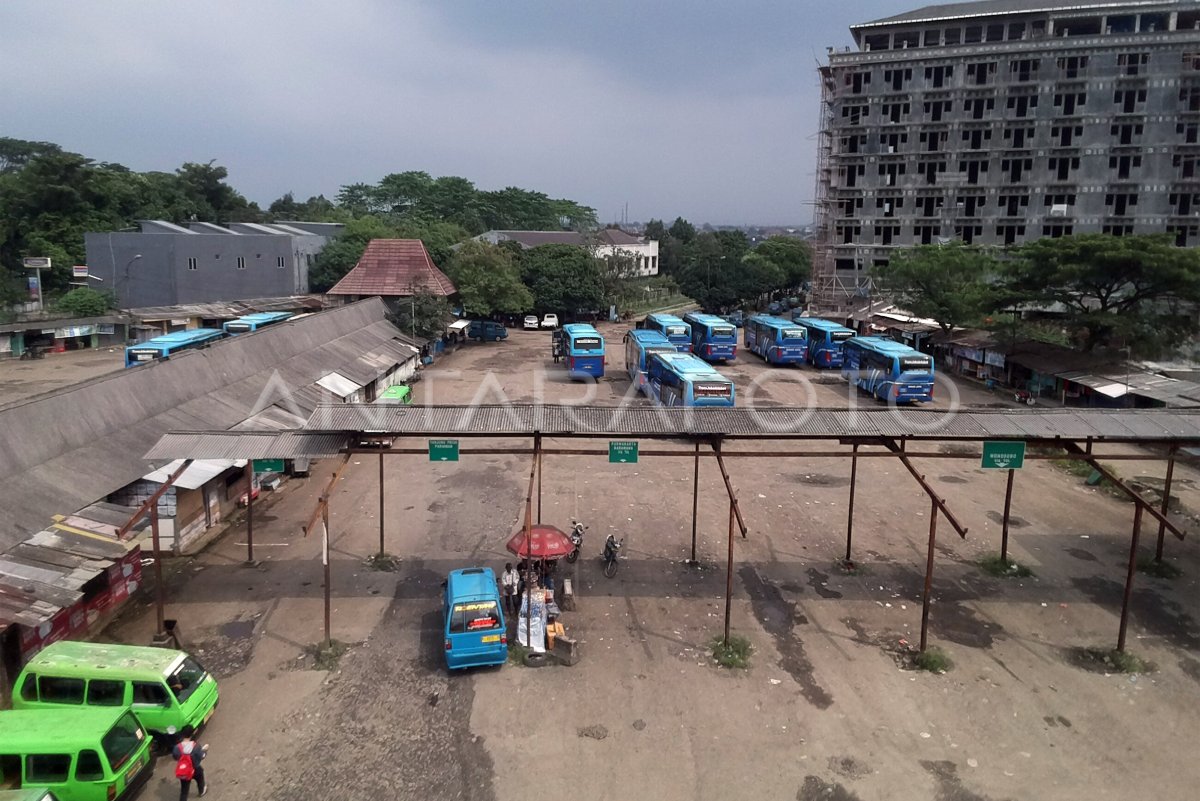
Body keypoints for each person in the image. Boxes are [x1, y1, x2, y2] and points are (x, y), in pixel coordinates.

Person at [172, 726, 208, 799]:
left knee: (184, 790)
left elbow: (175, 757)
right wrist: (205, 750)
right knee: (200, 779)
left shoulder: (177, 748)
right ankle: (201, 791)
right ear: (192, 734)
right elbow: (202, 756)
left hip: (184, 770)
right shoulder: (196, 746)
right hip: (196, 769)